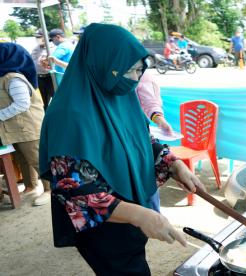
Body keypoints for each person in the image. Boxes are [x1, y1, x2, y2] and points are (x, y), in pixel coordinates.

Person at [39, 23, 205, 275]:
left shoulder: (121, 95)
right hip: (103, 224)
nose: (136, 78)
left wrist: (174, 164)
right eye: (131, 71)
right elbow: (75, 190)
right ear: (104, 64)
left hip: (130, 205)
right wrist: (140, 215)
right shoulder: (68, 115)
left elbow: (142, 139)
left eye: (140, 70)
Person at [0, 43, 51, 206]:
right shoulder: (4, 75)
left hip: (28, 127)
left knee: (37, 159)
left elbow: (22, 104)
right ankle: (30, 185)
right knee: (22, 158)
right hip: (16, 128)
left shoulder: (13, 77)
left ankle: (51, 189)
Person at [31, 29, 55, 110]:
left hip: (51, 77)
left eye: (39, 37)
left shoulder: (52, 47)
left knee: (56, 99)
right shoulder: (35, 49)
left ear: (45, 37)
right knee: (43, 102)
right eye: (36, 37)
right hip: (39, 78)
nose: (37, 39)